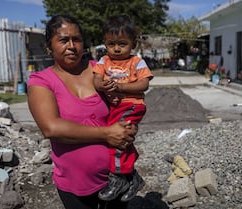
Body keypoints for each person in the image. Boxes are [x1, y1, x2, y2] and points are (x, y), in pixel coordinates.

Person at [27, 15, 137, 209]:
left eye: (76, 39)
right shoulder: (41, 81)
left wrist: (129, 126)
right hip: (75, 184)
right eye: (63, 40)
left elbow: (127, 101)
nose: (71, 46)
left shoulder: (101, 69)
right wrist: (107, 133)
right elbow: (51, 128)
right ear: (48, 47)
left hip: (116, 179)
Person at [93, 14, 154, 202]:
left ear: (133, 44)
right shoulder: (104, 61)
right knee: (120, 138)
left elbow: (144, 84)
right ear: (105, 43)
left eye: (122, 44)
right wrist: (102, 86)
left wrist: (120, 87)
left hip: (132, 105)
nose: (116, 49)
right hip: (115, 107)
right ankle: (133, 177)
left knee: (117, 140)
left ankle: (118, 177)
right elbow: (96, 80)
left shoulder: (136, 62)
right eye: (111, 44)